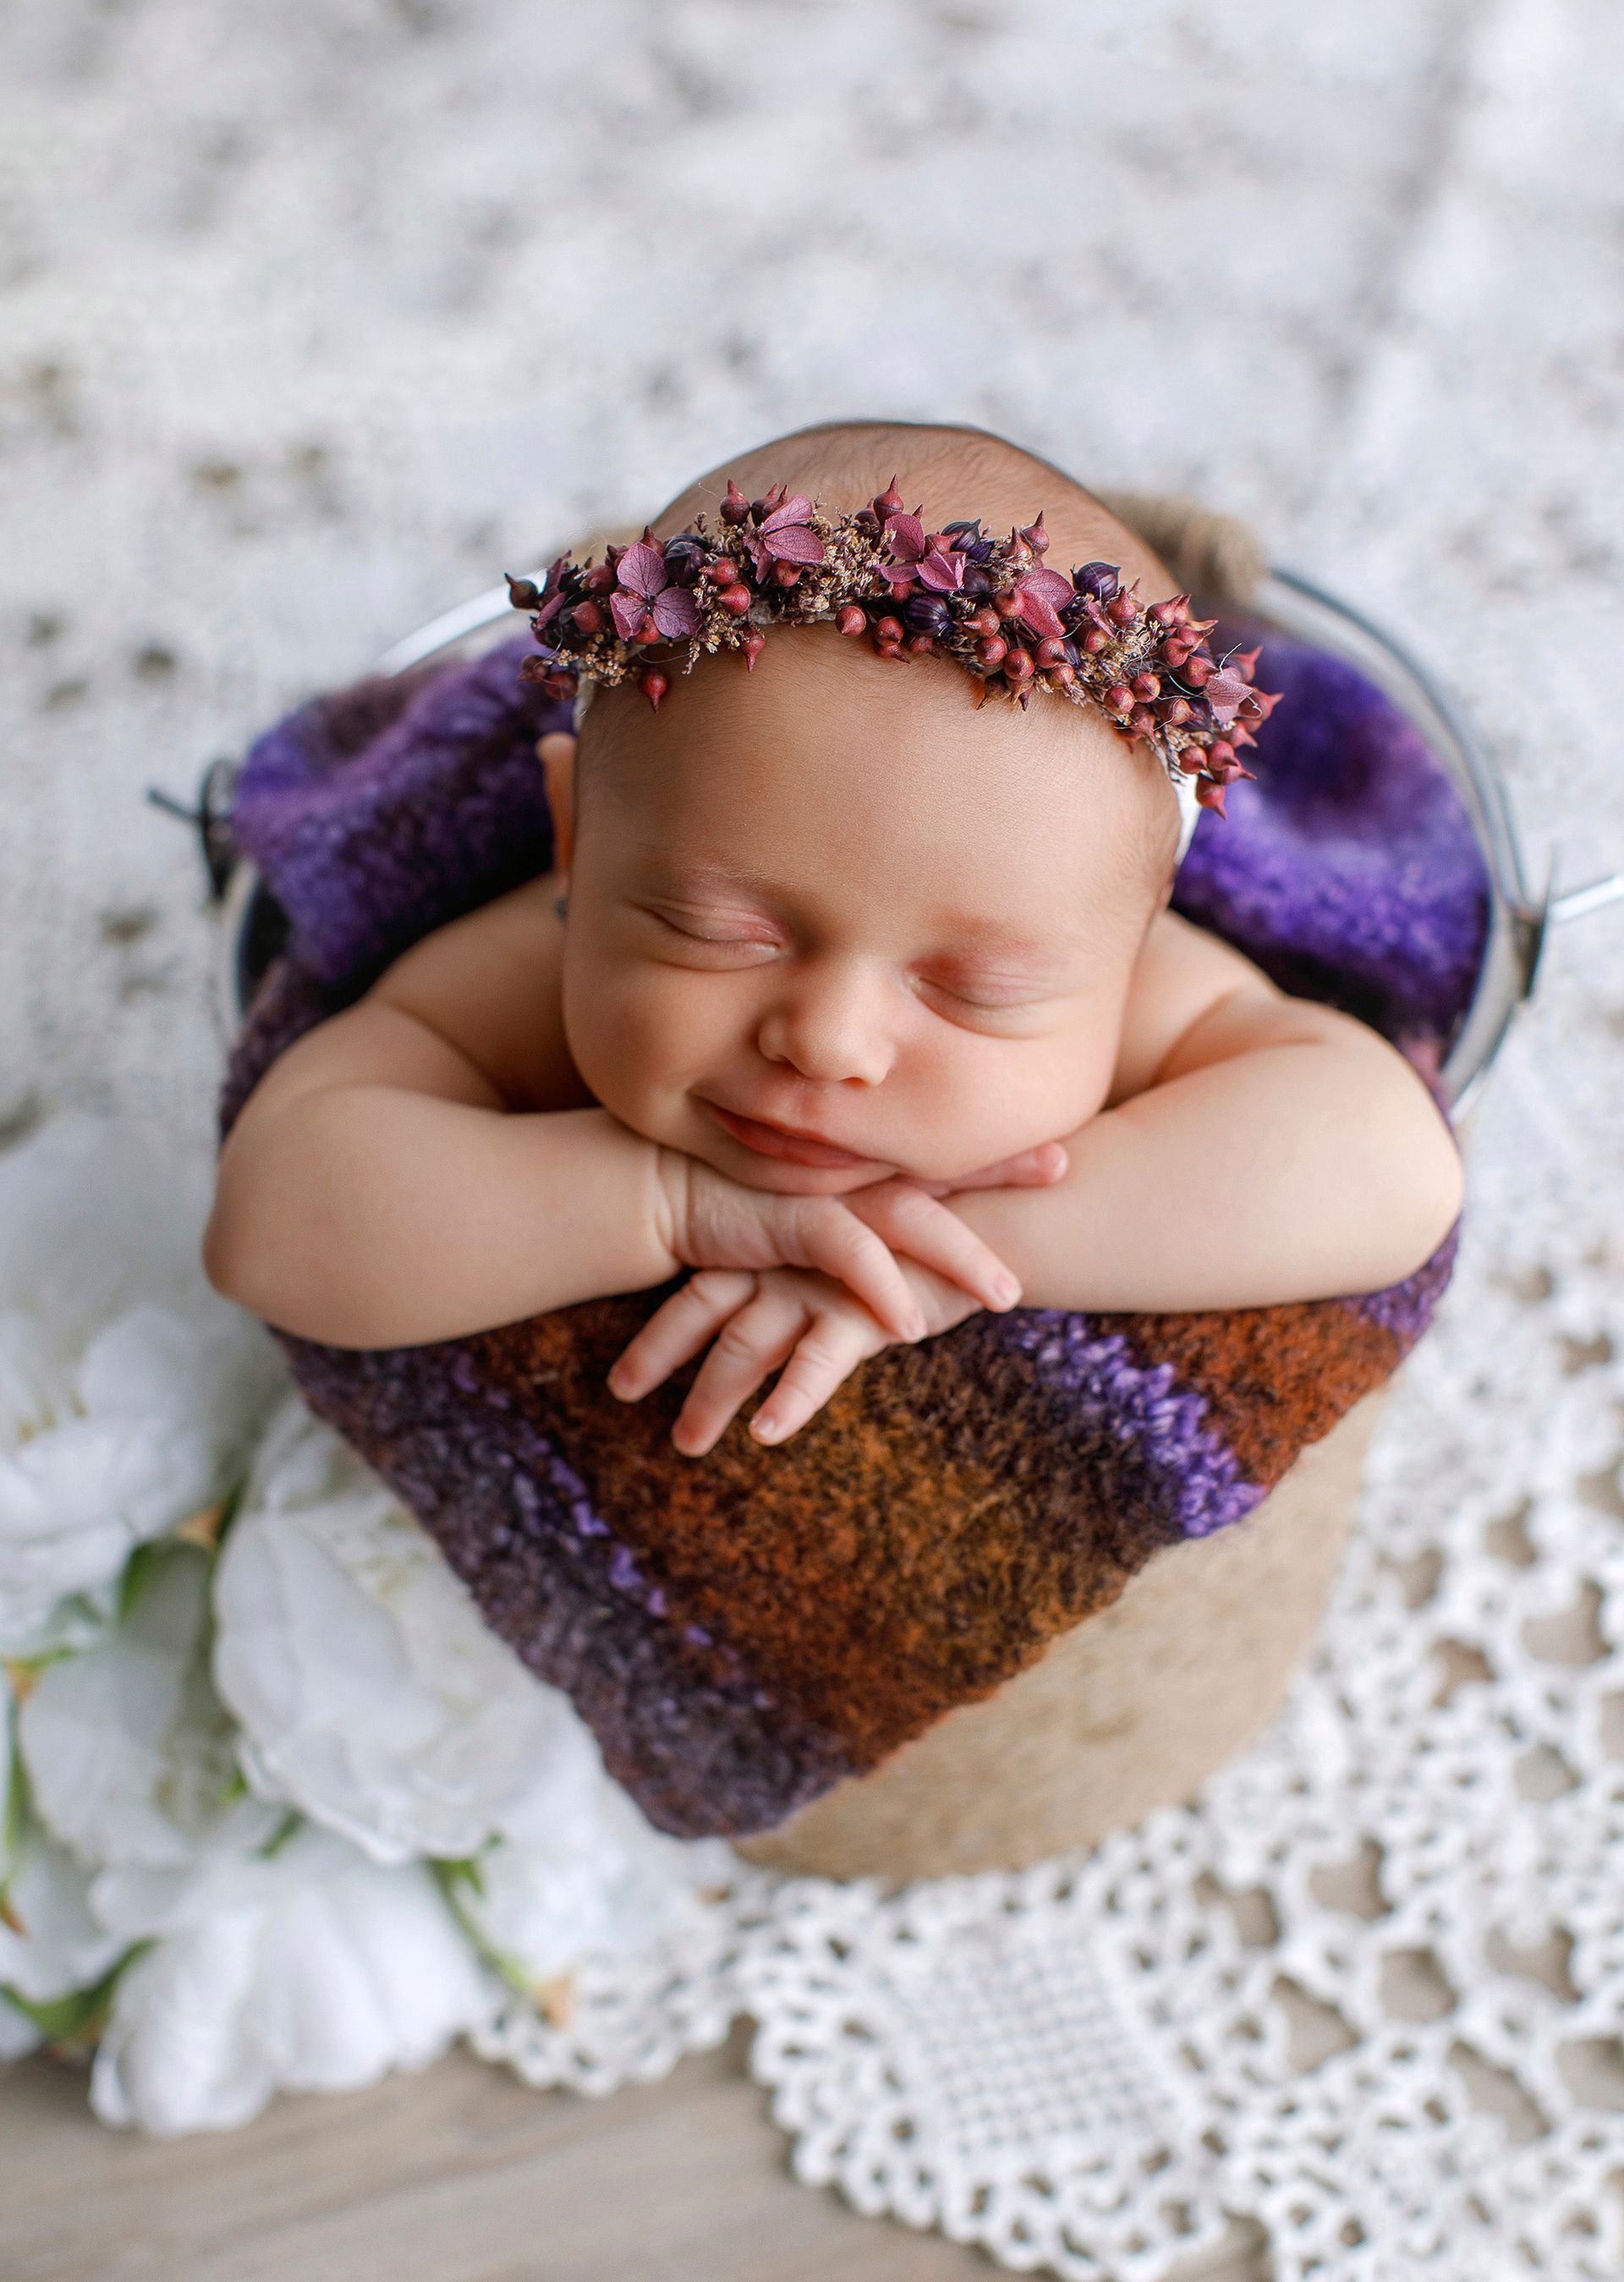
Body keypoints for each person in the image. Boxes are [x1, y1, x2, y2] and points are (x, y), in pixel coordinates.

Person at [204, 420, 1463, 1458]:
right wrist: (668, 1201)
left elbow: (1391, 1161)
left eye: (973, 988)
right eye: (720, 929)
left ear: (1139, 938)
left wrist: (949, 1256)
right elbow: (277, 1220)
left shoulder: (1126, 989)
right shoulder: (532, 976)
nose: (829, 1037)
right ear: (576, 842)